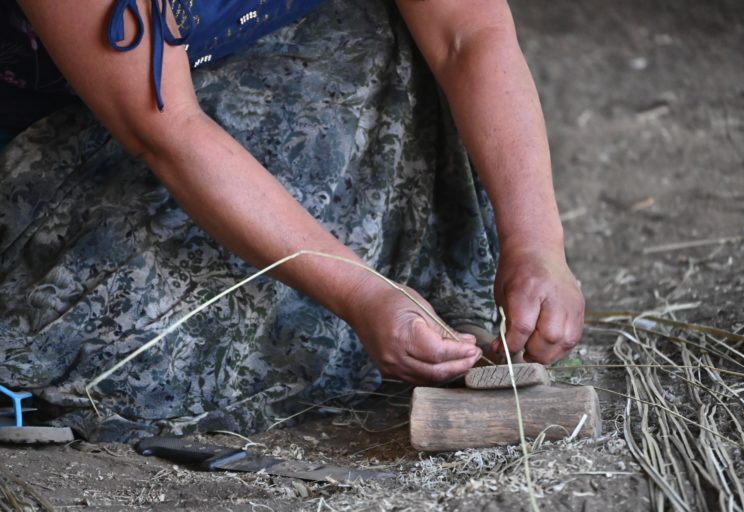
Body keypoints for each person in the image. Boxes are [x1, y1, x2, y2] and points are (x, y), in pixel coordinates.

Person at [0, 0, 584, 441]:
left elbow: (465, 31)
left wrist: (536, 242)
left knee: (383, 31)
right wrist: (359, 291)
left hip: (253, 68)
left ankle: (410, 313)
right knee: (143, 356)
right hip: (73, 144)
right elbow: (164, 130)